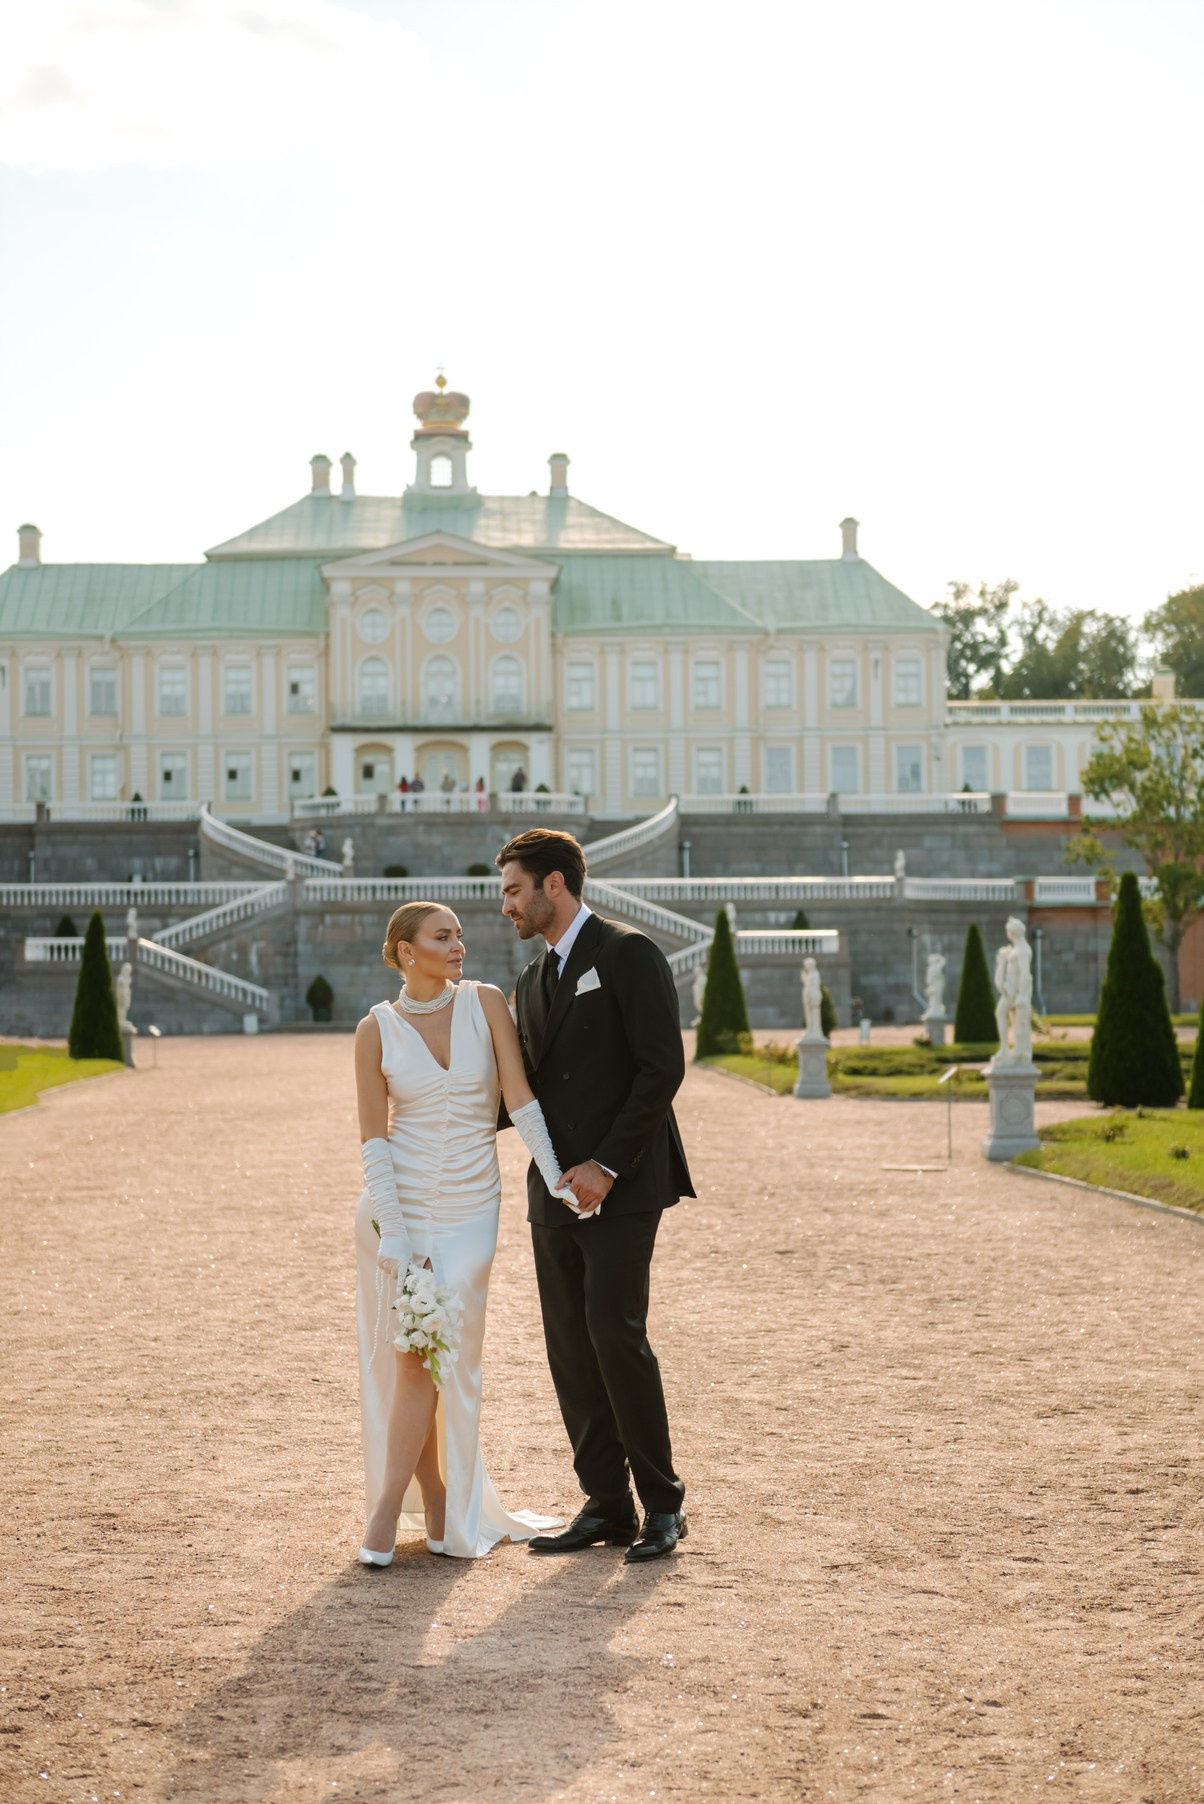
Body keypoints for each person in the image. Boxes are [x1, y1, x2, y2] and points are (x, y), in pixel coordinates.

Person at [353, 899, 576, 1566]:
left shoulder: (485, 1004)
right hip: (400, 1214)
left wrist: (558, 1174)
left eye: (459, 935)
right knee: (417, 1357)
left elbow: (520, 1098)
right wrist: (392, 1231)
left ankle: (417, 1506)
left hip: (473, 1212)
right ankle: (405, 1507)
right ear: (404, 952)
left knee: (442, 1358)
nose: (458, 946)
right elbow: (373, 1141)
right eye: (441, 936)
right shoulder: (376, 1031)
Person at [496, 827, 693, 1563]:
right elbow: (522, 1092)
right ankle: (605, 1503)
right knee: (570, 1348)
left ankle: (663, 1505)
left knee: (616, 1335)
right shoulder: (528, 980)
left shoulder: (628, 951)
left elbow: (660, 1068)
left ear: (555, 884)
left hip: (623, 1182)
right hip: (552, 1190)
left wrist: (606, 1166)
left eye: (514, 890)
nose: (505, 906)